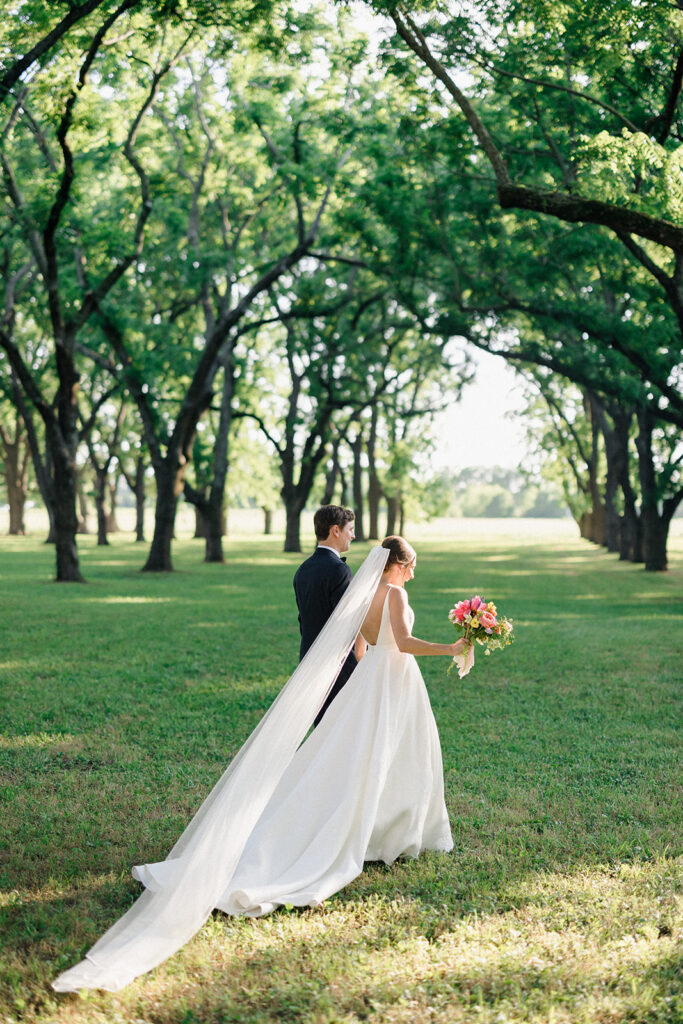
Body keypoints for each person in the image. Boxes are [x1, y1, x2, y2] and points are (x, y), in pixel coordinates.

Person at [52, 536, 465, 993]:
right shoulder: (396, 594)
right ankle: (392, 832)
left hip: (368, 681)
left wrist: (364, 681)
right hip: (394, 681)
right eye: (412, 566)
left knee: (355, 758)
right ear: (400, 564)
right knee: (396, 756)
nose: (413, 573)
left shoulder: (364, 591)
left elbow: (360, 645)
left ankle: (383, 828)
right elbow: (403, 643)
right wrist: (452, 647)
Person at [293, 505, 365, 725]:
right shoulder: (338, 570)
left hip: (308, 658)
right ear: (336, 530)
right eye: (350, 529)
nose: (353, 535)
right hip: (337, 666)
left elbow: (303, 621)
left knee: (322, 730)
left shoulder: (303, 569)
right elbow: (347, 625)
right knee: (343, 730)